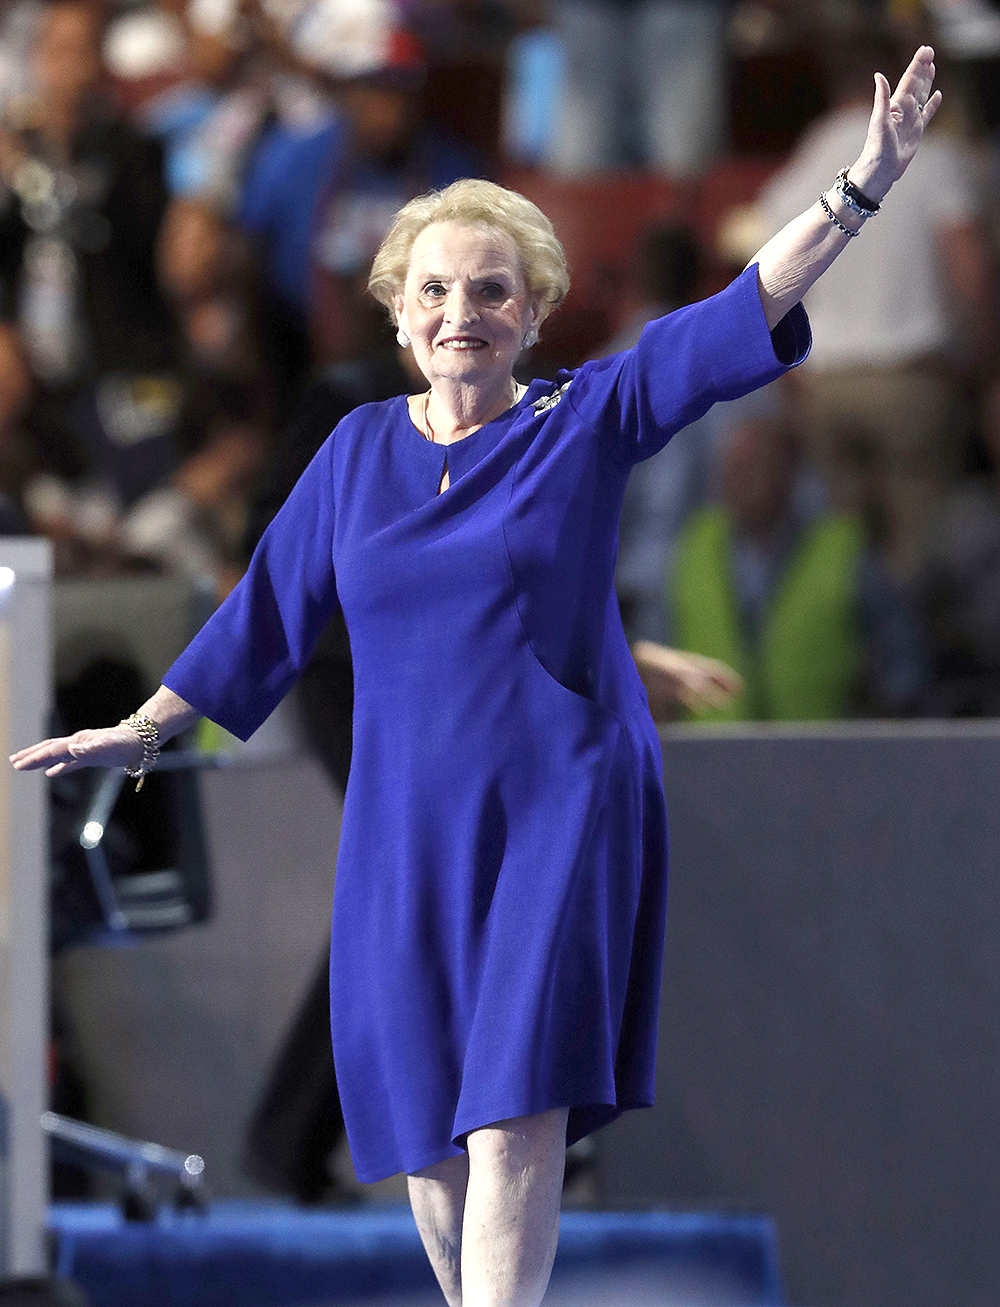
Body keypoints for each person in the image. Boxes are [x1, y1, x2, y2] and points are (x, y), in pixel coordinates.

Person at [12, 46, 941, 1307]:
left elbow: (728, 317)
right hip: (407, 822)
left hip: (555, 806)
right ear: (398, 313)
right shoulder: (349, 452)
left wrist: (860, 188)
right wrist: (144, 724)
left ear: (533, 312)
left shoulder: (582, 420)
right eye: (438, 290)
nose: (464, 313)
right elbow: (268, 611)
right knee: (427, 1147)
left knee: (513, 1107)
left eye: (493, 291)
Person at [666, 412, 929, 721]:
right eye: (734, 465)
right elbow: (661, 647)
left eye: (757, 464)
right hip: (712, 752)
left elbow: (902, 664)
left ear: (789, 472)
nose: (741, 477)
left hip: (816, 752)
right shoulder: (695, 545)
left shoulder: (839, 550)